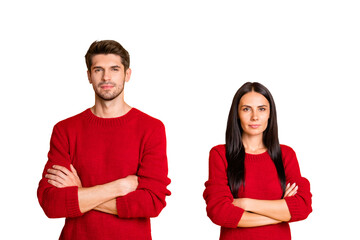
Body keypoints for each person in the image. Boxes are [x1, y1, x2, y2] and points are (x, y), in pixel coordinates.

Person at [37, 40, 171, 239]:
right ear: (89, 76)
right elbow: (51, 203)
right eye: (98, 69)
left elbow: (152, 202)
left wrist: (80, 192)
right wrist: (118, 187)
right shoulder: (65, 130)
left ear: (127, 74)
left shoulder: (151, 128)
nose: (106, 77)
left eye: (114, 69)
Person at [203, 82, 312, 239]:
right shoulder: (220, 154)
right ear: (237, 114)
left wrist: (246, 203)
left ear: (269, 113)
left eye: (261, 109)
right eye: (246, 109)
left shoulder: (286, 155)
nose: (255, 116)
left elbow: (302, 207)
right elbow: (220, 212)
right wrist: (280, 213)